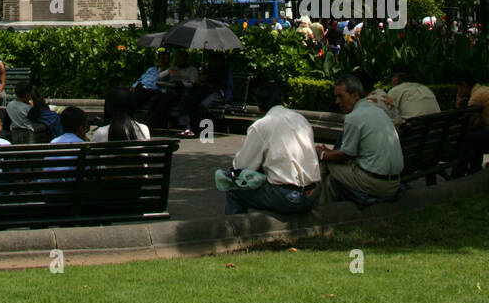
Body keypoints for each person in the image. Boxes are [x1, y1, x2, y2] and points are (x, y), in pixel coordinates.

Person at [215, 81, 320, 215]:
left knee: (234, 191)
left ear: (259, 106)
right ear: (282, 100)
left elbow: (241, 165)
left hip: (288, 196)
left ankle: (236, 231)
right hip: (313, 194)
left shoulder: (262, 125)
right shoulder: (301, 119)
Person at [316, 72, 403, 203]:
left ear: (355, 95)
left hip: (375, 184)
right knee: (333, 179)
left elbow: (346, 155)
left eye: (341, 96)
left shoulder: (353, 117)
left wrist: (322, 154)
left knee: (326, 164)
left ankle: (316, 206)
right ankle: (328, 206)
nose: (337, 101)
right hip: (394, 182)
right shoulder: (377, 111)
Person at [452, 73, 489, 177]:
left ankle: (458, 173)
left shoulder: (476, 97)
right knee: (474, 137)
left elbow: (466, 125)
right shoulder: (484, 90)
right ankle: (474, 170)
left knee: (467, 139)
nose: (458, 91)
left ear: (464, 85)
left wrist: (458, 105)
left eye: (458, 88)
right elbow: (480, 122)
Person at [147, 49, 198, 129]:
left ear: (185, 59)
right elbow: (160, 76)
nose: (178, 60)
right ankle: (151, 120)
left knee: (165, 100)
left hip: (182, 91)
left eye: (180, 58)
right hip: (170, 89)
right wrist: (169, 70)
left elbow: (192, 84)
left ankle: (154, 121)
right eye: (177, 58)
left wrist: (181, 83)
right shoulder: (174, 68)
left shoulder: (192, 70)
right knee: (155, 98)